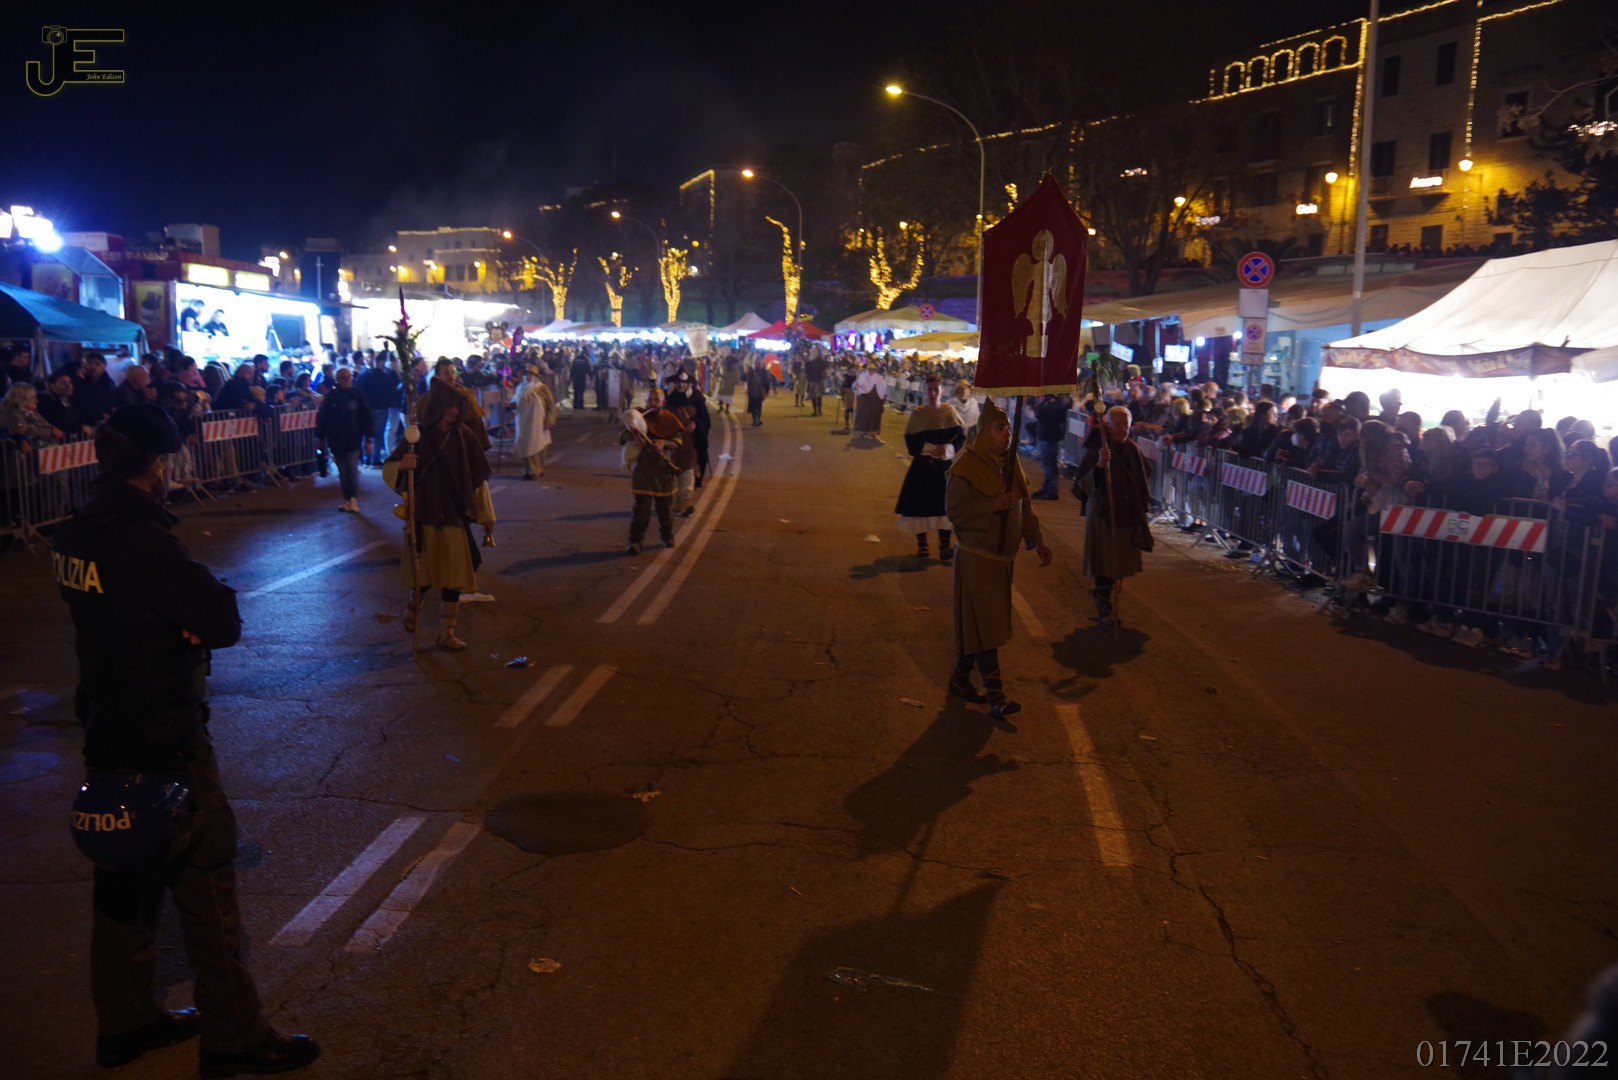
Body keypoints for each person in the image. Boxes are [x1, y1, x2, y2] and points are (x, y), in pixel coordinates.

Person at [51, 404, 320, 1077]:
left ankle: (126, 1021)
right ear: (157, 464)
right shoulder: (141, 539)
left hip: (107, 725)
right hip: (163, 732)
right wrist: (186, 621)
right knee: (205, 885)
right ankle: (236, 1035)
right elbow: (219, 618)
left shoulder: (77, 532)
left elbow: (113, 615)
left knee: (123, 880)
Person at [944, 399, 1052, 718]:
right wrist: (992, 504)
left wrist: (1037, 540)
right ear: (983, 432)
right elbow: (955, 512)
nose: (1006, 434)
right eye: (999, 428)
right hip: (977, 560)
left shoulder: (1010, 463)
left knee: (979, 624)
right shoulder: (965, 468)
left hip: (1002, 562)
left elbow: (1025, 507)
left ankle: (960, 679)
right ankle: (997, 696)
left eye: (1007, 428)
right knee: (986, 625)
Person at [383, 381, 496, 650]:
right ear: (438, 407)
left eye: (458, 406)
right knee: (422, 575)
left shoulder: (465, 437)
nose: (455, 411)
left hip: (454, 514)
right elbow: (390, 469)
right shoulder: (416, 436)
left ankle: (447, 633)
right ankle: (414, 607)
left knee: (454, 576)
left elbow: (478, 480)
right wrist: (403, 466)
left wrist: (486, 515)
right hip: (424, 514)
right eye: (450, 405)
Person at [1072, 405, 1154, 626]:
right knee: (1105, 562)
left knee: (1118, 563)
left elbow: (1142, 476)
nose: (1122, 429)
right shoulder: (1098, 448)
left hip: (1126, 513)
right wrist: (1100, 465)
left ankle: (1105, 597)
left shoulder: (1132, 448)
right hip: (1104, 514)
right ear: (1107, 426)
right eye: (1117, 424)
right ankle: (1103, 606)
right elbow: (1083, 484)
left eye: (1125, 425)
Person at [895, 373, 966, 560]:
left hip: (943, 467)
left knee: (944, 506)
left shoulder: (949, 412)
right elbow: (911, 443)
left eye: (936, 390)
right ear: (925, 391)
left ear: (942, 391)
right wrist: (931, 449)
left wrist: (947, 449)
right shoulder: (918, 414)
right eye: (930, 390)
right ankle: (923, 545)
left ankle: (944, 546)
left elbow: (960, 437)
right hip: (923, 467)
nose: (933, 394)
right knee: (920, 505)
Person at [622, 387, 684, 554]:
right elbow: (623, 437)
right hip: (644, 469)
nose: (653, 403)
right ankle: (635, 540)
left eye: (656, 400)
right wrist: (633, 434)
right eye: (650, 399)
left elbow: (678, 442)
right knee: (640, 510)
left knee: (665, 509)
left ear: (663, 402)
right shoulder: (638, 416)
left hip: (663, 470)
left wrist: (664, 443)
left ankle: (667, 536)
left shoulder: (669, 419)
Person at [314, 367, 372, 513]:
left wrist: (368, 439)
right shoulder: (331, 397)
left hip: (353, 439)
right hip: (336, 440)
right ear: (338, 380)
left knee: (351, 469)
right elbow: (323, 418)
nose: (347, 380)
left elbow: (366, 417)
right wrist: (320, 437)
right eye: (343, 378)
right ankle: (347, 498)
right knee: (342, 471)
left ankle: (353, 498)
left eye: (349, 377)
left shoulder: (357, 395)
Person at [664, 368, 711, 502]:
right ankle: (671, 499)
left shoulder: (696, 397)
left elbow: (704, 418)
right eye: (678, 383)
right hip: (671, 439)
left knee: (688, 468)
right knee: (671, 469)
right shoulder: (668, 396)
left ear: (688, 384)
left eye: (683, 383)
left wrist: (695, 423)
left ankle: (685, 501)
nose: (681, 385)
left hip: (690, 440)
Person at [512, 365, 556, 479]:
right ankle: (530, 469)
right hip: (522, 422)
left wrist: (549, 420)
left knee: (537, 445)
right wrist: (509, 405)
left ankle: (535, 469)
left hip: (538, 423)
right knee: (523, 445)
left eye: (530, 375)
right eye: (526, 374)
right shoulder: (520, 388)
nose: (527, 377)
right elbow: (516, 403)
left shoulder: (542, 388)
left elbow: (551, 405)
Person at [1031, 393, 1071, 499]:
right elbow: (1038, 412)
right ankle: (1046, 488)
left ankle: (1052, 490)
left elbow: (1052, 413)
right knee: (1046, 463)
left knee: (1050, 464)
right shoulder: (1048, 400)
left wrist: (1044, 403)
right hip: (1044, 433)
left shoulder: (1061, 400)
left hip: (1051, 434)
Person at [851, 364, 886, 443]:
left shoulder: (878, 377)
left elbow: (881, 388)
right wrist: (856, 385)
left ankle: (872, 433)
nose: (871, 371)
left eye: (873, 369)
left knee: (873, 415)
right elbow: (856, 385)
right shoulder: (862, 376)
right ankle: (861, 432)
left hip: (875, 399)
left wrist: (882, 397)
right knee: (863, 414)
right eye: (870, 369)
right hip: (864, 399)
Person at [743, 356, 772, 427]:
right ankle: (756, 420)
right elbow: (746, 379)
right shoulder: (752, 370)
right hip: (753, 391)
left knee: (756, 406)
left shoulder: (758, 370)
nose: (757, 361)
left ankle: (756, 420)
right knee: (755, 406)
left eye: (758, 360)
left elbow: (765, 380)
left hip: (757, 391)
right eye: (756, 360)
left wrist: (767, 389)